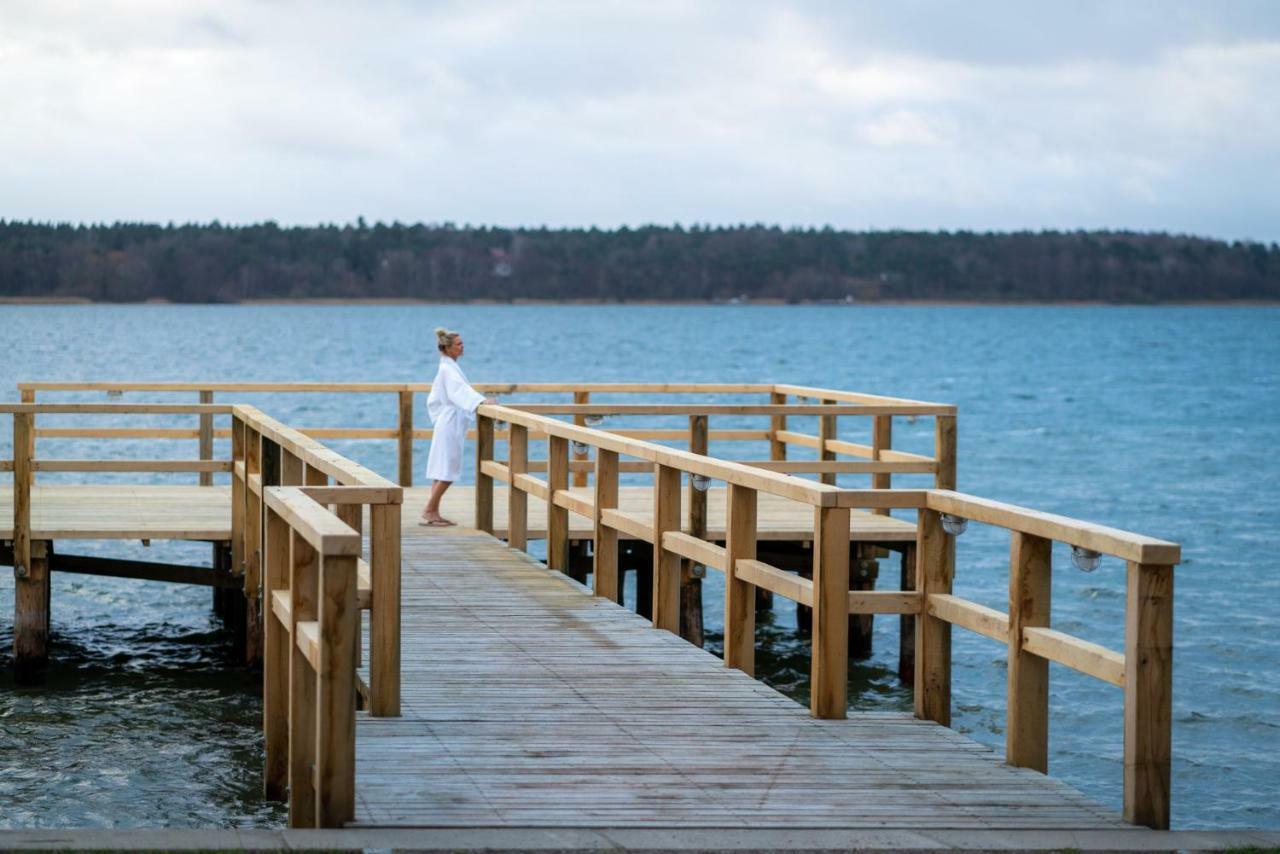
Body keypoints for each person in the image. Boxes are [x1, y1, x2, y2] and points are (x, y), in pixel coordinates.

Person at [420, 327, 495, 526]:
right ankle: (429, 509)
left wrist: (478, 400)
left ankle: (433, 511)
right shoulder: (447, 369)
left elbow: (458, 392)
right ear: (448, 348)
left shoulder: (448, 367)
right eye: (459, 344)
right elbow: (459, 392)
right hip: (449, 423)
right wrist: (481, 401)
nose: (463, 347)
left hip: (448, 422)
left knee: (441, 467)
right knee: (448, 469)